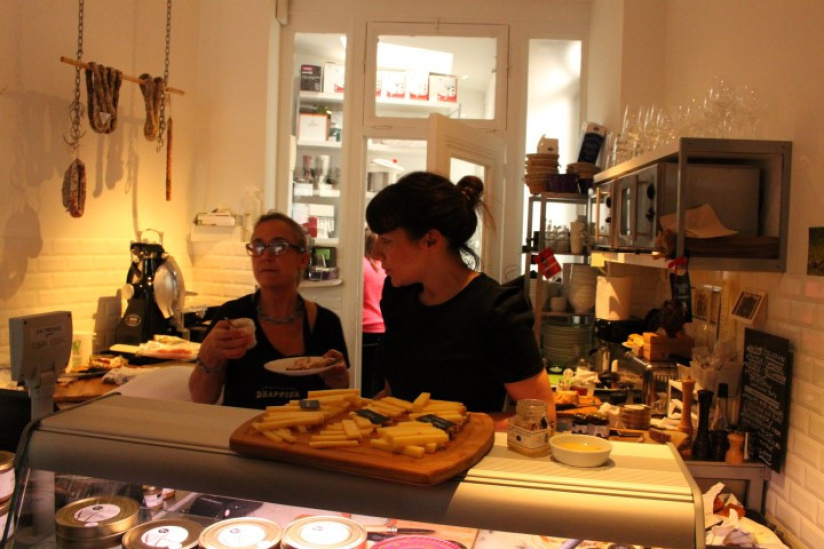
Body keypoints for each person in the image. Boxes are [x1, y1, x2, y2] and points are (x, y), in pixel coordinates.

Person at [365, 171, 556, 419]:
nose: (377, 252)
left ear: (431, 241)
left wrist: (453, 430)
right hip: (398, 455)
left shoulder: (496, 310)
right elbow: (395, 392)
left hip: (468, 456)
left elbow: (543, 415)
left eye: (387, 240)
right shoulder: (397, 296)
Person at [189, 211, 350, 409]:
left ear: (303, 259)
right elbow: (202, 398)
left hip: (306, 434)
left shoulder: (326, 322)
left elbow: (339, 400)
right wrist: (209, 350)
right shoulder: (232, 316)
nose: (265, 255)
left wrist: (339, 381)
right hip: (243, 434)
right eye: (258, 246)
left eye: (278, 246)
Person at [361, 227, 386, 397]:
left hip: (365, 328)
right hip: (382, 327)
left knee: (364, 377)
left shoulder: (360, 267)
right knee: (377, 378)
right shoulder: (384, 268)